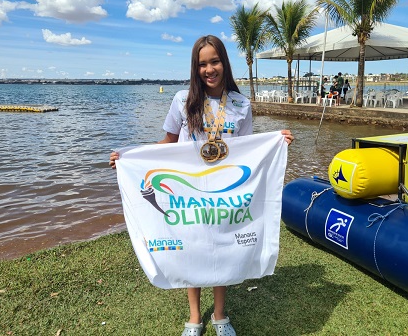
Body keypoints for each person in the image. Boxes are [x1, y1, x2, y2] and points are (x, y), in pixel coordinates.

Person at [109, 35, 294, 336]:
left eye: (215, 61)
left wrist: (277, 140)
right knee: (189, 248)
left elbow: (248, 148)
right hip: (188, 192)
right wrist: (129, 158)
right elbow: (167, 144)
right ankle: (195, 318)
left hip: (225, 192)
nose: (209, 69)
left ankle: (220, 316)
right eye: (202, 64)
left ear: (225, 63)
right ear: (195, 69)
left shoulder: (240, 104)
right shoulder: (183, 100)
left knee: (222, 247)